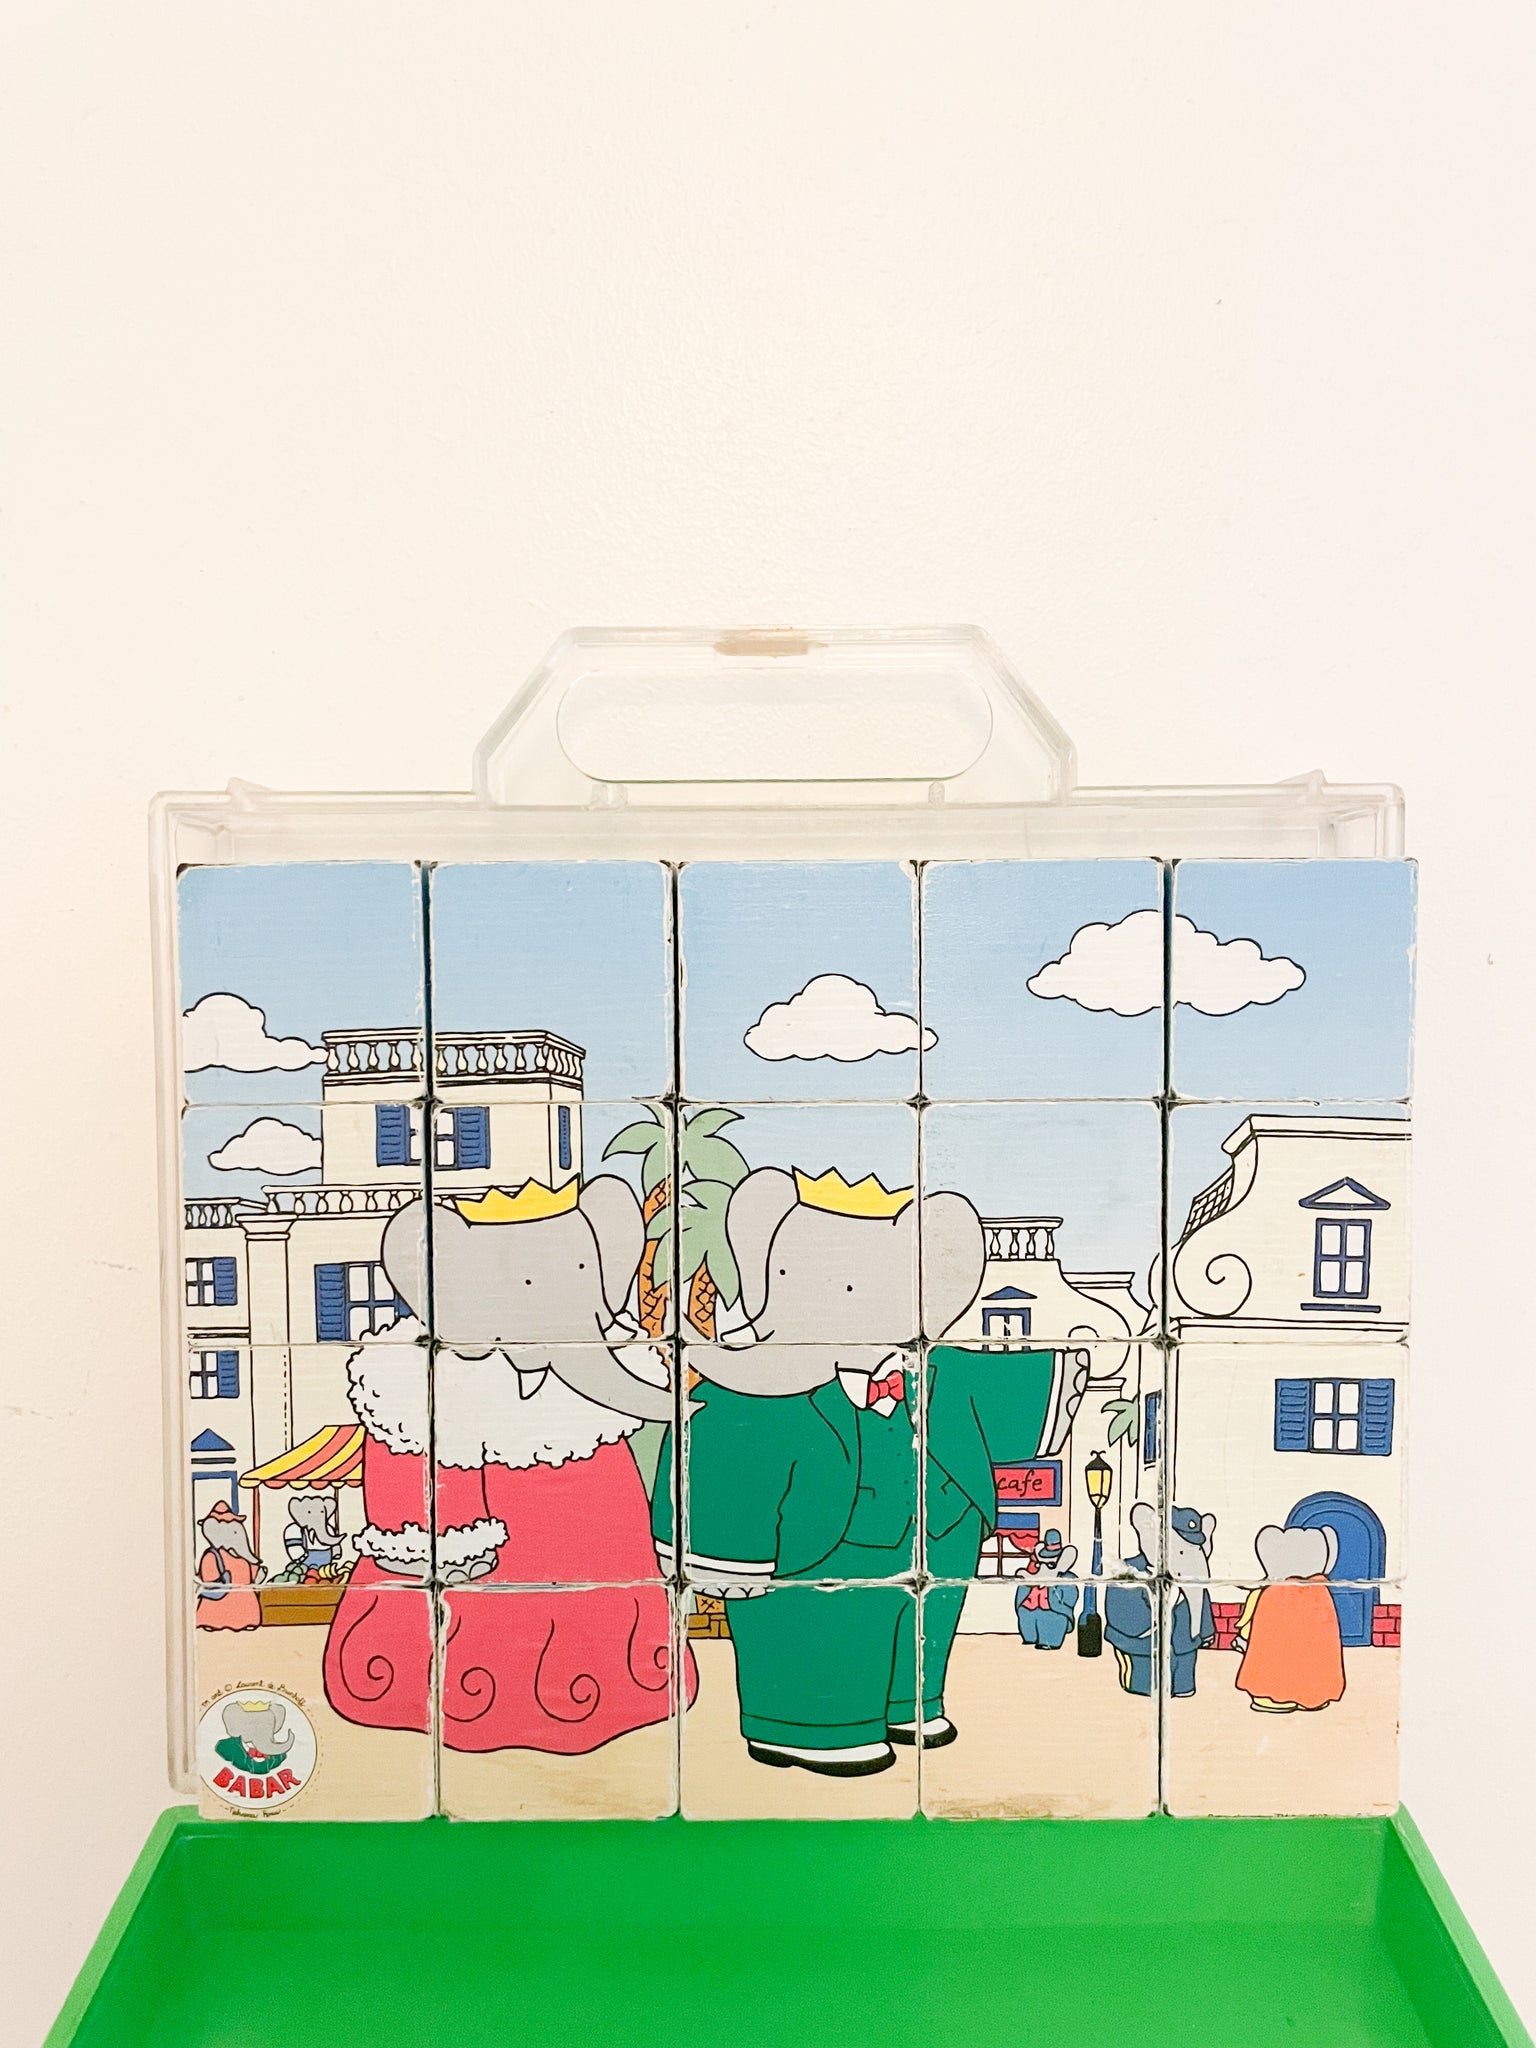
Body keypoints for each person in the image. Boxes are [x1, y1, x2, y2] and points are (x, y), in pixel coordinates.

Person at [1104, 1502, 1216, 1696]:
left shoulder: (1193, 1577)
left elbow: (1202, 1604)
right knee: (1146, 1681)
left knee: (1184, 1676)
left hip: (1184, 1643)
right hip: (1143, 1646)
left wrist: (1206, 1633)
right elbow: (1122, 1611)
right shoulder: (1129, 1571)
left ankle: (1182, 1687)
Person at [1234, 1525, 1347, 1713]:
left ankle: (1276, 1694)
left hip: (1280, 1661)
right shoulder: (1319, 1593)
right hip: (1311, 1674)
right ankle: (1312, 1694)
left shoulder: (1274, 1595)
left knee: (1279, 1655)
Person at [195, 1500, 264, 1631]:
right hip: (218, 1610)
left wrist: (258, 1573)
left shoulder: (241, 1556)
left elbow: (252, 1576)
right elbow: (209, 1580)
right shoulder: (213, 1556)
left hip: (246, 1612)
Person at [1014, 1528, 1079, 1650]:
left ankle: (1050, 1641)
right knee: (1027, 1618)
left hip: (1053, 1611)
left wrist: (1058, 1603)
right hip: (1029, 1610)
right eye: (1041, 1564)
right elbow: (1021, 1595)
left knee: (1053, 1620)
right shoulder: (1032, 1578)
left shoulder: (1067, 1579)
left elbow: (1070, 1598)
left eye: (1050, 1564)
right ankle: (1029, 1638)